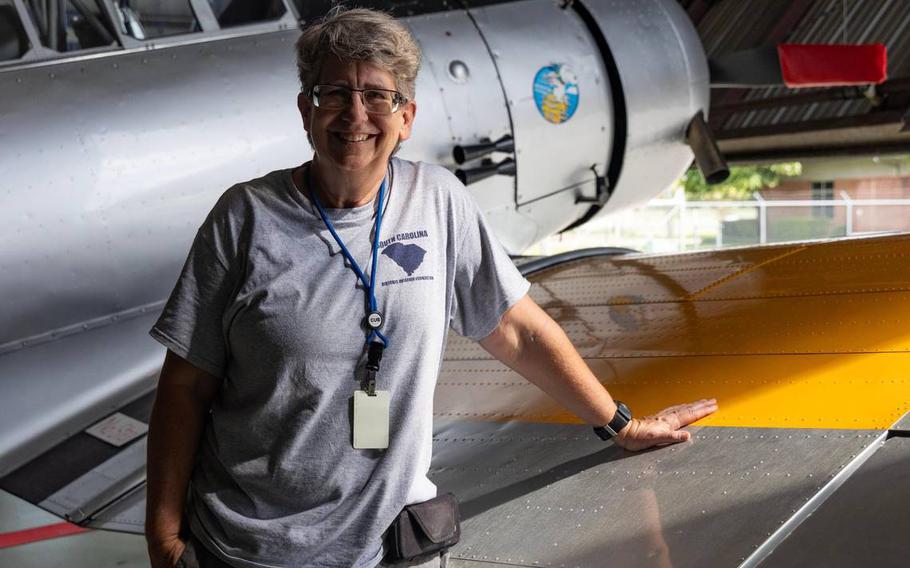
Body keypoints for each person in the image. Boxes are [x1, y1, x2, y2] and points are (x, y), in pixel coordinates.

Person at [144, 7, 717, 568]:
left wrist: (620, 423)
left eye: (377, 96)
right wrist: (164, 539)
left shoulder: (438, 200)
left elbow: (514, 329)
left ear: (406, 117)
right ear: (306, 109)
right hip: (249, 550)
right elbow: (185, 385)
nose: (355, 114)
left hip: (386, 547)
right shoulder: (244, 217)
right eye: (334, 93)